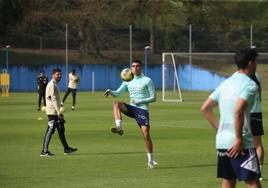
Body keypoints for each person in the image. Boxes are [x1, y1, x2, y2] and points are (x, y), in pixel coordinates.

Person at [201, 48, 261, 187]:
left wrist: (219, 129)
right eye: (256, 61)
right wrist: (239, 138)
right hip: (241, 143)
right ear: (251, 63)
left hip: (222, 142)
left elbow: (205, 108)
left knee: (228, 179)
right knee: (252, 181)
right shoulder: (250, 85)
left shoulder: (225, 83)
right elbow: (239, 111)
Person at [104, 60, 158, 169]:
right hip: (131, 108)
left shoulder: (147, 80)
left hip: (142, 109)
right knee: (116, 103)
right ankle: (119, 127)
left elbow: (154, 98)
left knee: (146, 134)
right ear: (131, 68)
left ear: (141, 67)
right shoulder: (127, 80)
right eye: (133, 66)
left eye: (137, 66)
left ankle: (150, 160)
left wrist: (140, 101)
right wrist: (110, 91)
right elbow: (117, 93)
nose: (135, 68)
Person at [40, 68, 77, 157]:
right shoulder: (52, 84)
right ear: (53, 75)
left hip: (55, 111)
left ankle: (66, 149)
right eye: (58, 74)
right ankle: (44, 151)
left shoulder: (54, 84)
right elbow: (52, 99)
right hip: (52, 112)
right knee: (50, 130)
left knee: (61, 129)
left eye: (60, 74)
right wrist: (58, 112)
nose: (60, 76)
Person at [250, 72, 264, 180]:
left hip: (245, 113)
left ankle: (242, 169)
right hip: (257, 112)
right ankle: (259, 172)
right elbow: (260, 94)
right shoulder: (256, 75)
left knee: (239, 141)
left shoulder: (237, 75)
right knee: (258, 144)